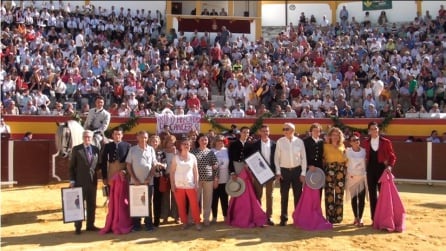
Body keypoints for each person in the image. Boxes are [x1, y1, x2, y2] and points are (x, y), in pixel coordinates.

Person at [99, 128, 133, 235]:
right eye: (115, 134)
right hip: (112, 173)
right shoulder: (108, 146)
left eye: (119, 134)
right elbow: (104, 162)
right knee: (112, 199)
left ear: (122, 135)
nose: (117, 136)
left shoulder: (127, 146)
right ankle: (113, 220)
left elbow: (129, 162)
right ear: (113, 135)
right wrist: (104, 177)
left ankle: (123, 221)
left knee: (123, 198)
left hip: (123, 174)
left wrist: (126, 171)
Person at [274, 123, 307, 226]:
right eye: (283, 129)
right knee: (284, 196)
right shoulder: (280, 141)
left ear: (292, 130)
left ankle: (297, 218)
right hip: (284, 171)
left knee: (298, 195)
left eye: (286, 129)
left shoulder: (299, 142)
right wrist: (278, 172)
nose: (284, 130)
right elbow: (276, 158)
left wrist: (303, 173)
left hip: (297, 171)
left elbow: (303, 158)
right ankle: (284, 218)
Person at [363, 121, 396, 223]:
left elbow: (392, 156)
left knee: (383, 194)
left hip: (382, 169)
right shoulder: (366, 142)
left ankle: (384, 217)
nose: (374, 131)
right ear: (369, 131)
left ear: (378, 130)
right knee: (372, 195)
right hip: (370, 170)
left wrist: (390, 166)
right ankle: (374, 218)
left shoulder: (386, 142)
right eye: (372, 129)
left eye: (376, 129)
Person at [126, 131, 158, 231]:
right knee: (136, 203)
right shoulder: (132, 149)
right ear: (137, 138)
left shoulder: (151, 149)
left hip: (148, 182)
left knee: (148, 203)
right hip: (135, 182)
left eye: (145, 138)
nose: (143, 139)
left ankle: (149, 224)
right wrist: (134, 179)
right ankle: (136, 225)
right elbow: (128, 165)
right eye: (141, 137)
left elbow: (154, 165)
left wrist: (149, 177)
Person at [69, 130, 100, 234]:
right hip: (80, 181)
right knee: (79, 204)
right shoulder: (76, 149)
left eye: (89, 137)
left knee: (92, 204)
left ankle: (90, 225)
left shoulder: (96, 149)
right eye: (85, 137)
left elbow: (98, 165)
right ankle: (78, 226)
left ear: (92, 138)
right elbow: (72, 167)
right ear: (83, 137)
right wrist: (72, 180)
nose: (87, 139)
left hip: (92, 182)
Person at [169, 137, 202, 231]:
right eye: (184, 144)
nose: (186, 146)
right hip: (178, 185)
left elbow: (196, 171)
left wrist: (196, 183)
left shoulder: (193, 157)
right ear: (180, 146)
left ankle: (197, 222)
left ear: (190, 146)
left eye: (188, 144)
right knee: (181, 205)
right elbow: (171, 172)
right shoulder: (176, 158)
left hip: (190, 185)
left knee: (194, 205)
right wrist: (172, 185)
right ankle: (184, 222)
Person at [249, 125, 276, 226]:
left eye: (267, 131)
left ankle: (269, 216)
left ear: (269, 132)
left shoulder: (274, 144)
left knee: (270, 195)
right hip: (258, 173)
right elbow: (252, 159)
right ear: (260, 132)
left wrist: (277, 172)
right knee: (258, 195)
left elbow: (277, 160)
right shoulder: (254, 145)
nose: (265, 133)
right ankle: (259, 215)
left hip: (271, 173)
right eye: (263, 131)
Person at [191, 134, 218, 226]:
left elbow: (216, 166)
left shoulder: (211, 152)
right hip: (196, 180)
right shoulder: (193, 152)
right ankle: (192, 218)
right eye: (202, 140)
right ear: (198, 141)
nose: (204, 141)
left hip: (209, 179)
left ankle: (206, 219)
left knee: (208, 200)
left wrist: (216, 178)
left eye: (206, 140)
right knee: (195, 200)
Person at [323, 127, 348, 224]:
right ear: (330, 136)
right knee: (329, 193)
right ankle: (330, 217)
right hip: (329, 170)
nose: (335, 137)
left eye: (337, 135)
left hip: (341, 170)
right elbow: (323, 159)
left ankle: (338, 217)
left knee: (339, 194)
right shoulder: (325, 146)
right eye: (333, 134)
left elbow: (346, 158)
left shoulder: (342, 145)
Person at [345, 132, 367, 227]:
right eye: (354, 140)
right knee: (354, 198)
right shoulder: (347, 151)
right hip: (352, 177)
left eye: (357, 139)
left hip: (362, 177)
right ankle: (355, 217)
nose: (356, 141)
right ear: (350, 142)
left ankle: (360, 217)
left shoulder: (364, 151)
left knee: (361, 198)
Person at [149, 135, 168, 227]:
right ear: (150, 142)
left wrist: (160, 164)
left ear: (159, 142)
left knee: (157, 200)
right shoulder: (146, 151)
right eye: (153, 141)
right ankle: (147, 219)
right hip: (147, 178)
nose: (154, 143)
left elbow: (165, 165)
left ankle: (156, 220)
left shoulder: (161, 153)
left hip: (158, 178)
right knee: (147, 199)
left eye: (156, 141)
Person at [211, 135, 230, 223]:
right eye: (218, 141)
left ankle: (225, 216)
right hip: (214, 179)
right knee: (214, 199)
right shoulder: (211, 151)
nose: (220, 142)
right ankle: (214, 217)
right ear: (215, 142)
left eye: (222, 141)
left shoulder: (227, 151)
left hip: (225, 178)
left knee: (224, 199)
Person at [303, 123, 324, 198]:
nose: (316, 132)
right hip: (309, 168)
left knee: (319, 188)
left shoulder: (322, 141)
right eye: (314, 130)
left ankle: (317, 207)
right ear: (311, 132)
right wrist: (308, 165)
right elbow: (303, 156)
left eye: (318, 131)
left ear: (320, 132)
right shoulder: (305, 141)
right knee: (309, 189)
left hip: (320, 168)